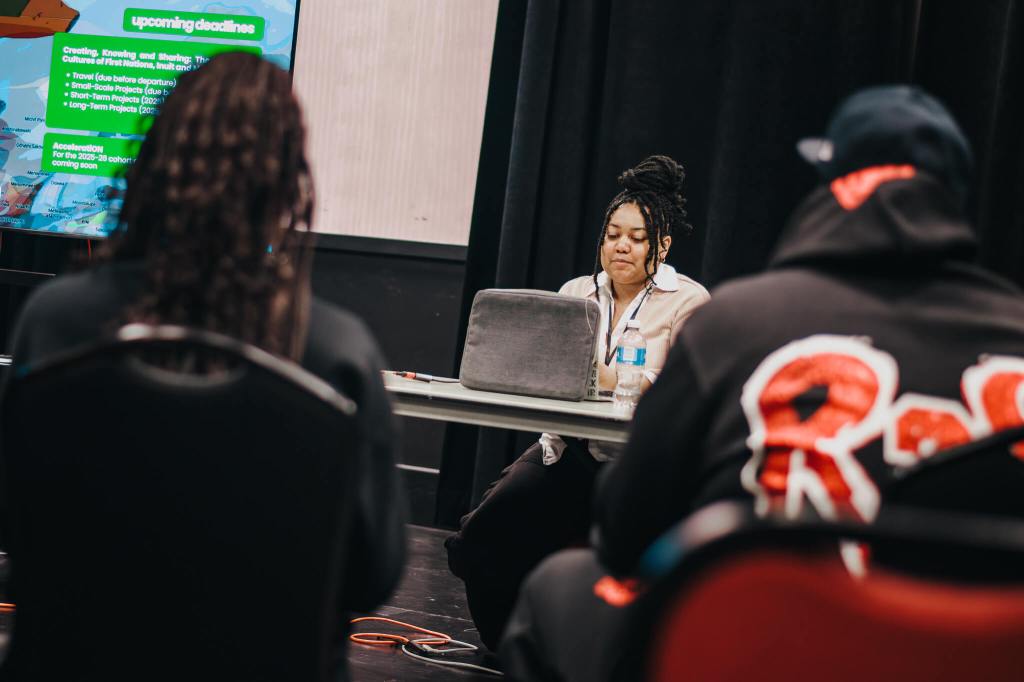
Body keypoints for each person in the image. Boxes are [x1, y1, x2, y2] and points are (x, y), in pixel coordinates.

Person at [500, 84, 1024, 681]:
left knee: (556, 588)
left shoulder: (735, 322)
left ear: (830, 186)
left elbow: (626, 534)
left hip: (760, 652)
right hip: (970, 660)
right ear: (956, 200)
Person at [1, 53, 405, 681]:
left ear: (151, 163)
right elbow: (373, 572)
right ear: (287, 182)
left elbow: (17, 518)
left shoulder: (56, 320)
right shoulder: (337, 350)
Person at [445, 155, 710, 650]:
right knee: (480, 535)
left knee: (632, 565)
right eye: (612, 235)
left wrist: (601, 374)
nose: (621, 246)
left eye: (637, 237)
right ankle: (506, 646)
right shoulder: (576, 291)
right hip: (566, 451)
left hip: (637, 466)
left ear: (662, 245)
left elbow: (675, 386)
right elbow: (545, 370)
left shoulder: (688, 301)